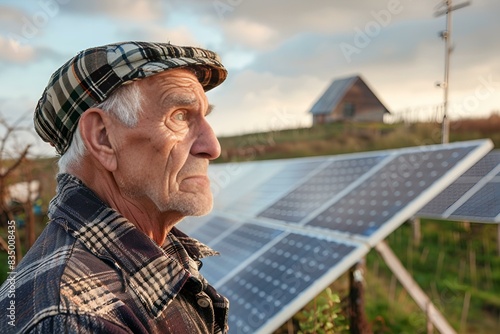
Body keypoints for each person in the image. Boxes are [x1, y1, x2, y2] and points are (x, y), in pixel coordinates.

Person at [0, 41, 229, 333]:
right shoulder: (74, 319)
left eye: (204, 117)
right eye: (180, 116)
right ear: (103, 138)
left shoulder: (151, 253)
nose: (213, 147)